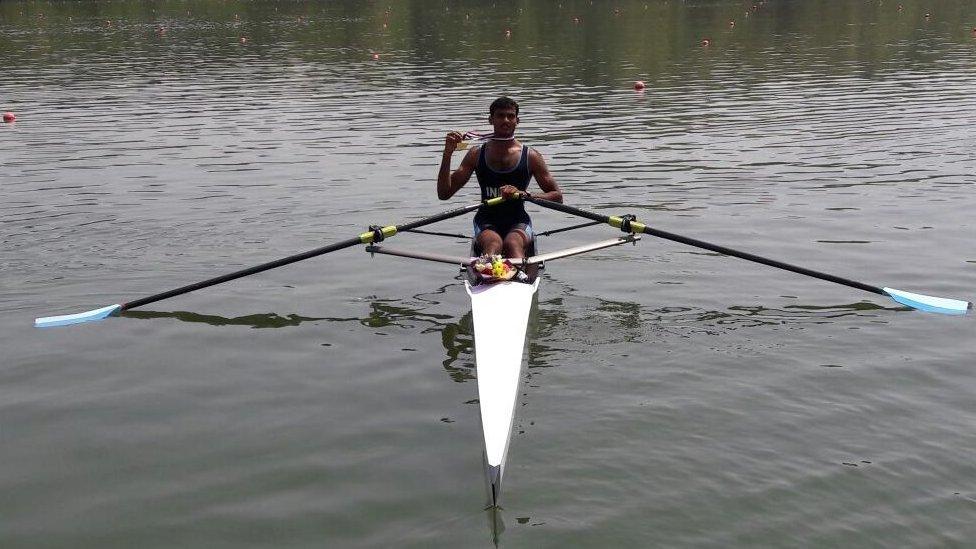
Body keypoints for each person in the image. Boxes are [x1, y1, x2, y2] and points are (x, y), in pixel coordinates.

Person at [437, 97, 563, 266]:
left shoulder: (531, 156)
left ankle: (518, 277)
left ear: (517, 121)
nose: (505, 120)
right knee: (494, 244)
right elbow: (444, 194)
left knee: (512, 244)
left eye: (510, 116)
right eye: (500, 116)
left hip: (518, 221)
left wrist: (523, 194)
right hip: (485, 221)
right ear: (491, 120)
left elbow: (557, 197)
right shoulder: (475, 154)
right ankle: (491, 274)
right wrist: (447, 155)